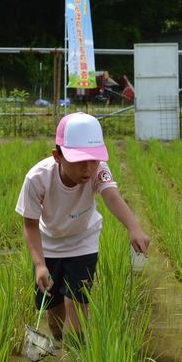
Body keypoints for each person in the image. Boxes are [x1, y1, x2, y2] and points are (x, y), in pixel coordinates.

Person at [16, 112, 150, 342]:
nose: (87, 169)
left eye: (93, 159)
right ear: (57, 156)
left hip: (83, 242)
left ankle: (78, 351)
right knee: (53, 307)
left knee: (77, 302)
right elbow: (30, 225)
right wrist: (39, 265)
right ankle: (58, 342)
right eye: (79, 161)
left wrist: (133, 227)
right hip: (49, 245)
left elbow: (112, 197)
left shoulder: (99, 170)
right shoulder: (37, 178)